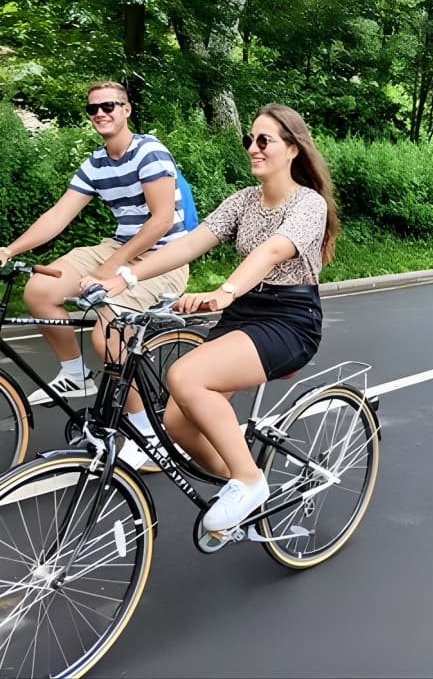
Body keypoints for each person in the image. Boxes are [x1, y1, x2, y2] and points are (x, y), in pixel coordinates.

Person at [89, 103, 339, 532]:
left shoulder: (308, 204)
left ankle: (249, 480)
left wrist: (224, 291)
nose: (254, 149)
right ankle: (240, 494)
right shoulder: (242, 201)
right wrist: (125, 276)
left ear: (293, 149)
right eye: (250, 140)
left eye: (265, 141)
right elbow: (189, 245)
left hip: (289, 319)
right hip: (245, 312)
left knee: (184, 377)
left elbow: (274, 249)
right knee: (176, 422)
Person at [0, 80, 190, 469]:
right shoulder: (96, 163)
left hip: (165, 256)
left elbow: (161, 221)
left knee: (109, 333)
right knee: (40, 290)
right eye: (93, 109)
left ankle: (149, 435)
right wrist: (9, 249)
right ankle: (76, 373)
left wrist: (108, 271)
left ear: (126, 110)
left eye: (109, 106)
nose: (100, 113)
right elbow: (58, 216)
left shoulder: (149, 152)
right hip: (118, 245)